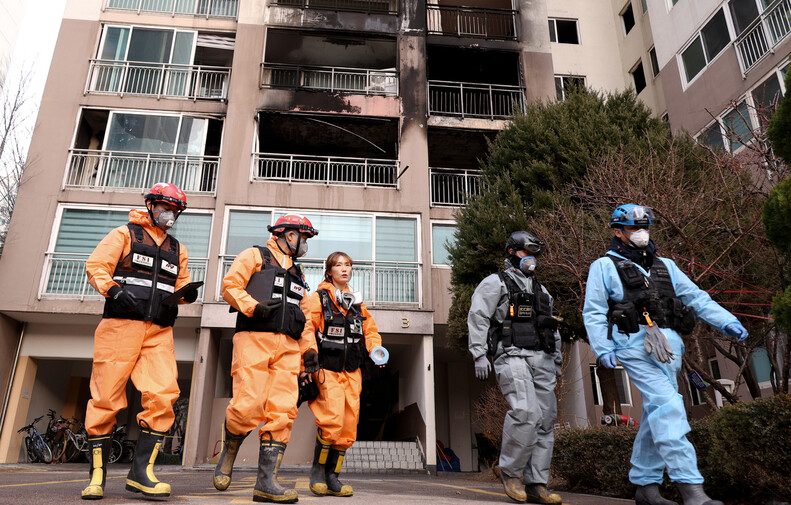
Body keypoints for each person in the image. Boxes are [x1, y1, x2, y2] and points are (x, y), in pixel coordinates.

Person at [582, 204, 749, 505]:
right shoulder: (603, 267)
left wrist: (727, 321)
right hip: (634, 346)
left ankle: (645, 487)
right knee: (669, 407)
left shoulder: (666, 266)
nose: (641, 233)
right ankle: (692, 488)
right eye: (634, 229)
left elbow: (696, 297)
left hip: (670, 348)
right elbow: (593, 312)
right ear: (618, 232)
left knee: (656, 412)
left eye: (645, 227)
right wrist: (603, 348)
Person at [81, 182, 199, 500]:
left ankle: (141, 474)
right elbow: (95, 267)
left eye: (175, 211)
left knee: (163, 394)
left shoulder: (178, 249)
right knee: (106, 397)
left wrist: (187, 294)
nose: (170, 214)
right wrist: (115, 291)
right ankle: (97, 477)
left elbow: (182, 286)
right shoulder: (124, 235)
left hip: (159, 332)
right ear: (150, 205)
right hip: (120, 326)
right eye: (165, 207)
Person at [213, 214, 319, 504]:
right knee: (248, 404)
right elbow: (230, 286)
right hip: (253, 340)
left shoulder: (300, 275)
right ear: (286, 234)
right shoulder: (254, 255)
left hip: (288, 346)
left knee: (283, 411)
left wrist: (309, 350)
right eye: (303, 237)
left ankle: (265, 483)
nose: (305, 244)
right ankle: (230, 451)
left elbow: (307, 318)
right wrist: (254, 307)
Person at [468, 231, 563, 504]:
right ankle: (511, 474)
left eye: (535, 253)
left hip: (542, 359)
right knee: (525, 412)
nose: (531, 258)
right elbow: (478, 317)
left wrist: (556, 359)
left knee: (545, 421)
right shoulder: (494, 283)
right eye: (525, 252)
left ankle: (537, 483)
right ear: (511, 252)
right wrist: (478, 354)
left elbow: (550, 326)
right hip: (512, 355)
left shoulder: (542, 290)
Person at [300, 251, 387, 497]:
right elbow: (307, 328)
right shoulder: (317, 298)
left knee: (348, 426)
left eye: (348, 265)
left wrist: (376, 350)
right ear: (329, 271)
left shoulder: (357, 303)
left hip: (353, 370)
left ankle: (333, 477)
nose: (344, 269)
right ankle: (317, 473)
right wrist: (309, 355)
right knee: (332, 420)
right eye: (338, 265)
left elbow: (370, 331)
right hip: (327, 369)